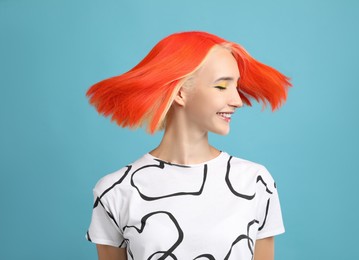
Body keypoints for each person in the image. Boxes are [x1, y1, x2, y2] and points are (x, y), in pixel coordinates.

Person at [85, 31, 291, 260]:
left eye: (236, 87)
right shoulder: (115, 190)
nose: (237, 101)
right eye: (222, 86)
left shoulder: (255, 182)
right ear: (181, 92)